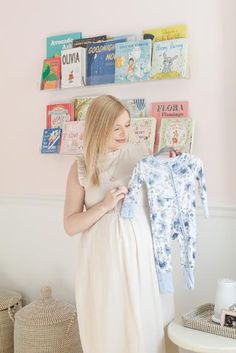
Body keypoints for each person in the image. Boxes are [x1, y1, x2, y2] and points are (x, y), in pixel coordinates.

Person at [64, 95, 175, 353]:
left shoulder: (140, 154)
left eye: (127, 125)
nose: (124, 133)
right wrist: (104, 206)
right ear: (99, 126)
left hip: (139, 255)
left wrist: (166, 167)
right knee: (108, 322)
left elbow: (160, 201)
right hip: (101, 261)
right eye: (116, 127)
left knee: (141, 319)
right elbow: (70, 225)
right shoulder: (81, 166)